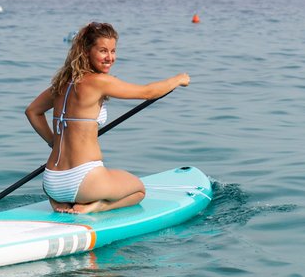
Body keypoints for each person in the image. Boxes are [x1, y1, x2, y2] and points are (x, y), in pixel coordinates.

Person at [26, 21, 189, 214]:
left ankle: (62, 201)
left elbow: (33, 111)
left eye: (113, 51)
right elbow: (149, 91)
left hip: (52, 182)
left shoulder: (62, 83)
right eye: (103, 51)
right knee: (138, 190)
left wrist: (53, 142)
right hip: (84, 181)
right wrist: (178, 79)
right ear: (86, 51)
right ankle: (97, 206)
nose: (110, 58)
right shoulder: (100, 82)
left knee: (102, 181)